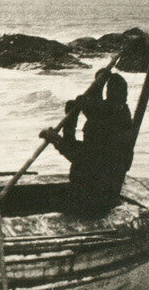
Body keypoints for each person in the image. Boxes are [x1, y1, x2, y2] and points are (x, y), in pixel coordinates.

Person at [40, 68, 134, 216]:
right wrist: (99, 82)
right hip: (95, 183)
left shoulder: (110, 120)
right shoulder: (116, 113)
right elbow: (93, 105)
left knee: (84, 161)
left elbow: (79, 157)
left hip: (94, 197)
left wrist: (56, 140)